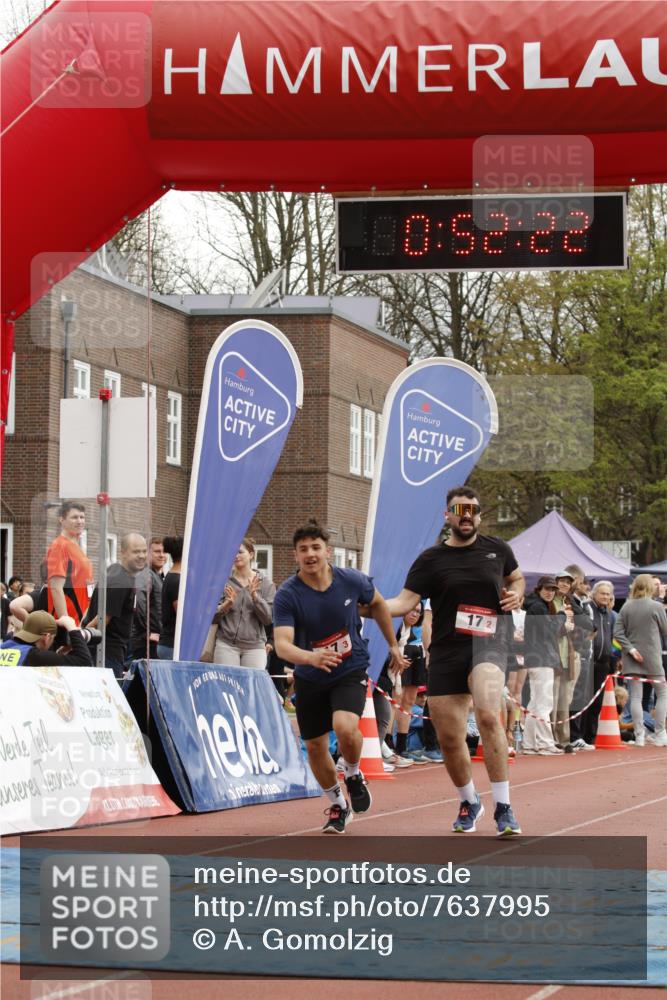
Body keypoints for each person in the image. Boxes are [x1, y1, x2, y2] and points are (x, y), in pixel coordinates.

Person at [387, 486, 525, 837]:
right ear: (447, 515)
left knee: (489, 714)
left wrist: (517, 594)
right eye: (459, 510)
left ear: (479, 515)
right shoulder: (431, 560)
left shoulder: (498, 550)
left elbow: (516, 577)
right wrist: (369, 605)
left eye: (473, 510)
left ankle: (504, 807)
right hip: (448, 651)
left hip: (489, 644)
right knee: (450, 737)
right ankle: (469, 800)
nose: (467, 516)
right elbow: (404, 603)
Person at [273, 519, 408, 834]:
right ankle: (337, 804)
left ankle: (353, 773)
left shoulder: (351, 581)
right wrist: (311, 658)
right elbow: (282, 645)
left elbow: (377, 605)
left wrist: (392, 645)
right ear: (295, 555)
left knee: (345, 728)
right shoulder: (288, 594)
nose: (310, 554)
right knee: (316, 747)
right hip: (310, 674)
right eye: (303, 549)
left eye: (316, 548)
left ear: (327, 551)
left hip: (350, 668)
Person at [614, 574, 667, 747]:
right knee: (662, 694)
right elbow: (665, 629)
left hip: (631, 659)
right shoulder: (656, 606)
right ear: (651, 587)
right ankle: (659, 733)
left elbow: (618, 633)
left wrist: (631, 649)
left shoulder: (626, 607)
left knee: (635, 697)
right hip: (652, 656)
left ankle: (639, 736)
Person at [85, 533, 147, 677]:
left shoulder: (117, 573)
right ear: (123, 553)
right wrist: (78, 642)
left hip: (109, 652)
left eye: (144, 551)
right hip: (106, 654)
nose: (142, 555)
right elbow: (101, 620)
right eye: (136, 551)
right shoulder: (120, 580)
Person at [213, 537, 276, 668]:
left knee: (251, 687)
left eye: (240, 552)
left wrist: (255, 597)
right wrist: (226, 605)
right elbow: (211, 618)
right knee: (226, 687)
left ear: (251, 554)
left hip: (255, 647)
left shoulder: (265, 583)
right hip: (226, 644)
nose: (236, 555)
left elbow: (268, 619)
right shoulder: (222, 581)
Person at [521, 576, 565, 755]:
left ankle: (530, 743)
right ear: (539, 589)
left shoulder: (535, 605)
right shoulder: (538, 606)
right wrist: (561, 616)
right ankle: (545, 743)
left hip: (536, 658)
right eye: (547, 589)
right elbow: (550, 631)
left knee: (535, 702)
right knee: (544, 703)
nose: (550, 592)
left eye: (553, 590)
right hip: (541, 658)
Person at [46, 501, 94, 625]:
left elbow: (87, 582)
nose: (79, 521)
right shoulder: (59, 546)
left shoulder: (76, 546)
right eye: (74, 517)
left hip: (81, 617)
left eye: (82, 517)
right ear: (62, 520)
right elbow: (56, 587)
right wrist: (66, 621)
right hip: (69, 621)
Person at [0, 610, 93, 666]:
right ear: (47, 638)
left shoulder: (4, 647)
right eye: (53, 637)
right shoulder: (34, 656)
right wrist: (72, 628)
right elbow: (84, 661)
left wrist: (60, 654)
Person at [157, 536, 182, 660]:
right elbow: (181, 614)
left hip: (169, 643)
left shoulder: (171, 576)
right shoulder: (177, 581)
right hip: (172, 645)